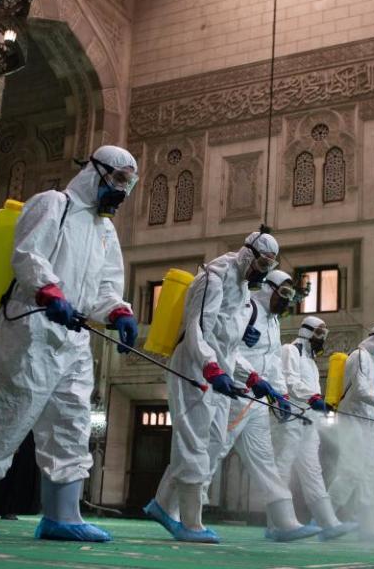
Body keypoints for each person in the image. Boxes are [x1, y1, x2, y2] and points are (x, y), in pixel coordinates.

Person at [0, 146, 140, 542]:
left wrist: (118, 313)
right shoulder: (52, 204)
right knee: (2, 416)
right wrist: (49, 291)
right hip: (29, 329)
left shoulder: (104, 230)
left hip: (72, 340)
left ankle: (63, 516)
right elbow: (28, 255)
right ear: (96, 171)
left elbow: (107, 286)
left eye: (130, 183)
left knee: (71, 423)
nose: (124, 190)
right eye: (120, 179)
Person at [143, 230, 279, 543]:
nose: (262, 270)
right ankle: (191, 523)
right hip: (193, 369)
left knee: (214, 442)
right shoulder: (213, 278)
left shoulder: (244, 288)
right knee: (194, 441)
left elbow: (227, 344)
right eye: (260, 262)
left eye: (268, 266)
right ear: (247, 253)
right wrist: (210, 367)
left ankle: (163, 505)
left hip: (219, 373)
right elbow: (197, 331)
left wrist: (252, 376)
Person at [209, 270, 321, 542]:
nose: (286, 301)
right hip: (235, 396)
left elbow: (271, 362)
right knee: (210, 451)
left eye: (290, 296)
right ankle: (169, 505)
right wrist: (252, 377)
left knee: (266, 463)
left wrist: (280, 395)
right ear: (268, 287)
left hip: (257, 401)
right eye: (283, 293)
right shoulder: (247, 309)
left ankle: (284, 522)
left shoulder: (272, 323)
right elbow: (226, 349)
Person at [271, 316, 358, 540]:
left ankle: (328, 523)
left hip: (308, 423)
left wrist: (320, 406)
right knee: (282, 469)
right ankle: (276, 524)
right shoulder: (291, 350)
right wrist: (313, 398)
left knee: (313, 474)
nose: (323, 338)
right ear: (307, 331)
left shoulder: (310, 359)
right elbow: (290, 382)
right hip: (290, 421)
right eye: (319, 333)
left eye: (324, 333)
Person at [326, 325, 374, 540]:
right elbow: (360, 391)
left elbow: (370, 397)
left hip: (368, 424)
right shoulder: (359, 356)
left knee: (368, 474)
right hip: (352, 420)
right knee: (350, 471)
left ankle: (368, 527)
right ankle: (324, 519)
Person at [0, 432, 41, 520]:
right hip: (16, 431)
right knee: (10, 468)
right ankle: (3, 508)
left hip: (30, 435)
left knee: (22, 470)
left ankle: (6, 508)